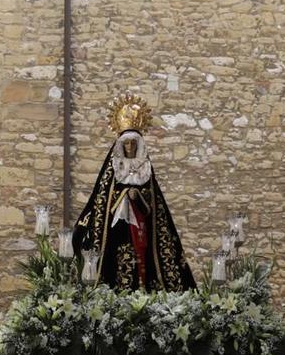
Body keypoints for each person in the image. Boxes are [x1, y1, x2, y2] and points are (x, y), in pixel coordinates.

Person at [72, 94, 196, 290]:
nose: (130, 147)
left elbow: (155, 208)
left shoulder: (144, 170)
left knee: (144, 268)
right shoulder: (113, 170)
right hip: (115, 233)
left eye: (133, 143)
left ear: (139, 145)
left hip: (142, 231)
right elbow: (101, 203)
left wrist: (138, 197)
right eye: (126, 143)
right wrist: (123, 196)